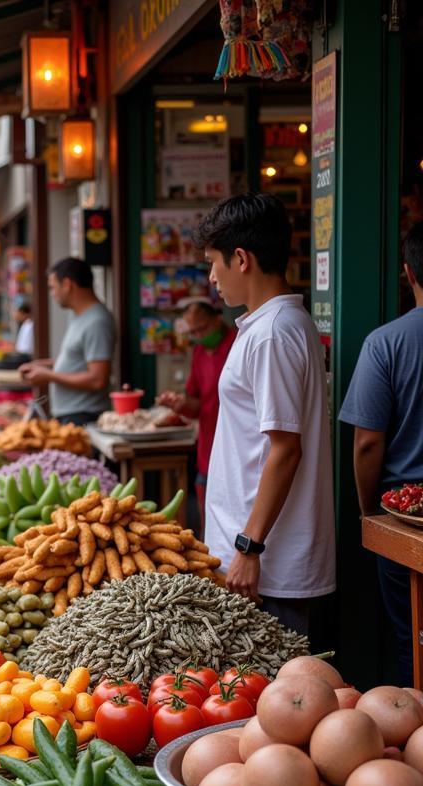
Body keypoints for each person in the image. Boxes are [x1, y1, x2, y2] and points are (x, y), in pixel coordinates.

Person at [194, 192, 335, 635]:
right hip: (254, 560)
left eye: (213, 263)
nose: (212, 277)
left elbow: (285, 450)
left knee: (273, 694)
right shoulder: (267, 325)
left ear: (241, 259)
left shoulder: (273, 333)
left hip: (267, 568)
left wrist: (249, 547)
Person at [338, 221, 423, 682]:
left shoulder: (386, 342)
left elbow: (368, 441)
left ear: (409, 272)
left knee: (414, 639)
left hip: (404, 516)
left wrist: (369, 510)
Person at [155, 298, 238, 526]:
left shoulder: (238, 344)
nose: (199, 336)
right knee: (209, 522)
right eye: (194, 332)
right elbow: (197, 403)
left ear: (217, 319)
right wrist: (179, 405)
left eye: (203, 329)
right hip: (207, 449)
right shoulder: (199, 352)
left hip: (237, 448)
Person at [19, 258, 114, 425]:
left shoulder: (97, 321)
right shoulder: (78, 316)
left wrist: (48, 375)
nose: (52, 294)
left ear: (68, 284)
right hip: (72, 414)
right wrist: (43, 365)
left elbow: (97, 379)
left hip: (84, 415)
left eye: (53, 287)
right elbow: (78, 362)